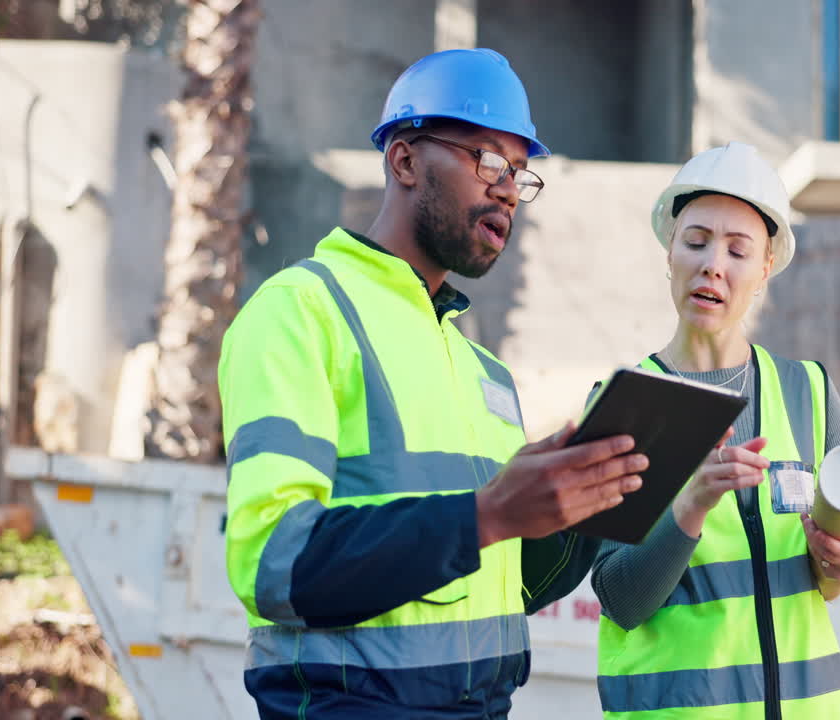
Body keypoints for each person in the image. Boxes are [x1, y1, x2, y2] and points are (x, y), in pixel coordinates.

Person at [219, 48, 647, 719]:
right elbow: (273, 565)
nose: (509, 189)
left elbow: (509, 585)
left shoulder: (485, 370)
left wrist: (581, 509)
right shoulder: (304, 310)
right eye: (488, 160)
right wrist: (489, 512)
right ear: (406, 160)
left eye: (523, 174)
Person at [590, 143, 840, 719]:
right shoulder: (627, 404)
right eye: (696, 241)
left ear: (764, 269)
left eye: (739, 250)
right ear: (669, 252)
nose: (713, 264)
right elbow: (620, 597)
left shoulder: (806, 390)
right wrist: (692, 504)